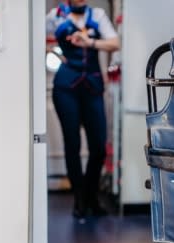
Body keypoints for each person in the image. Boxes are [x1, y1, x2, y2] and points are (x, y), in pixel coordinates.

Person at [46, 0, 120, 218]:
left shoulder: (97, 16)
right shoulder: (55, 16)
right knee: (73, 143)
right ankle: (79, 199)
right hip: (65, 86)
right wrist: (53, 51)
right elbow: (30, 36)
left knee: (98, 146)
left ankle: (91, 196)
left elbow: (115, 43)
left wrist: (90, 43)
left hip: (93, 85)